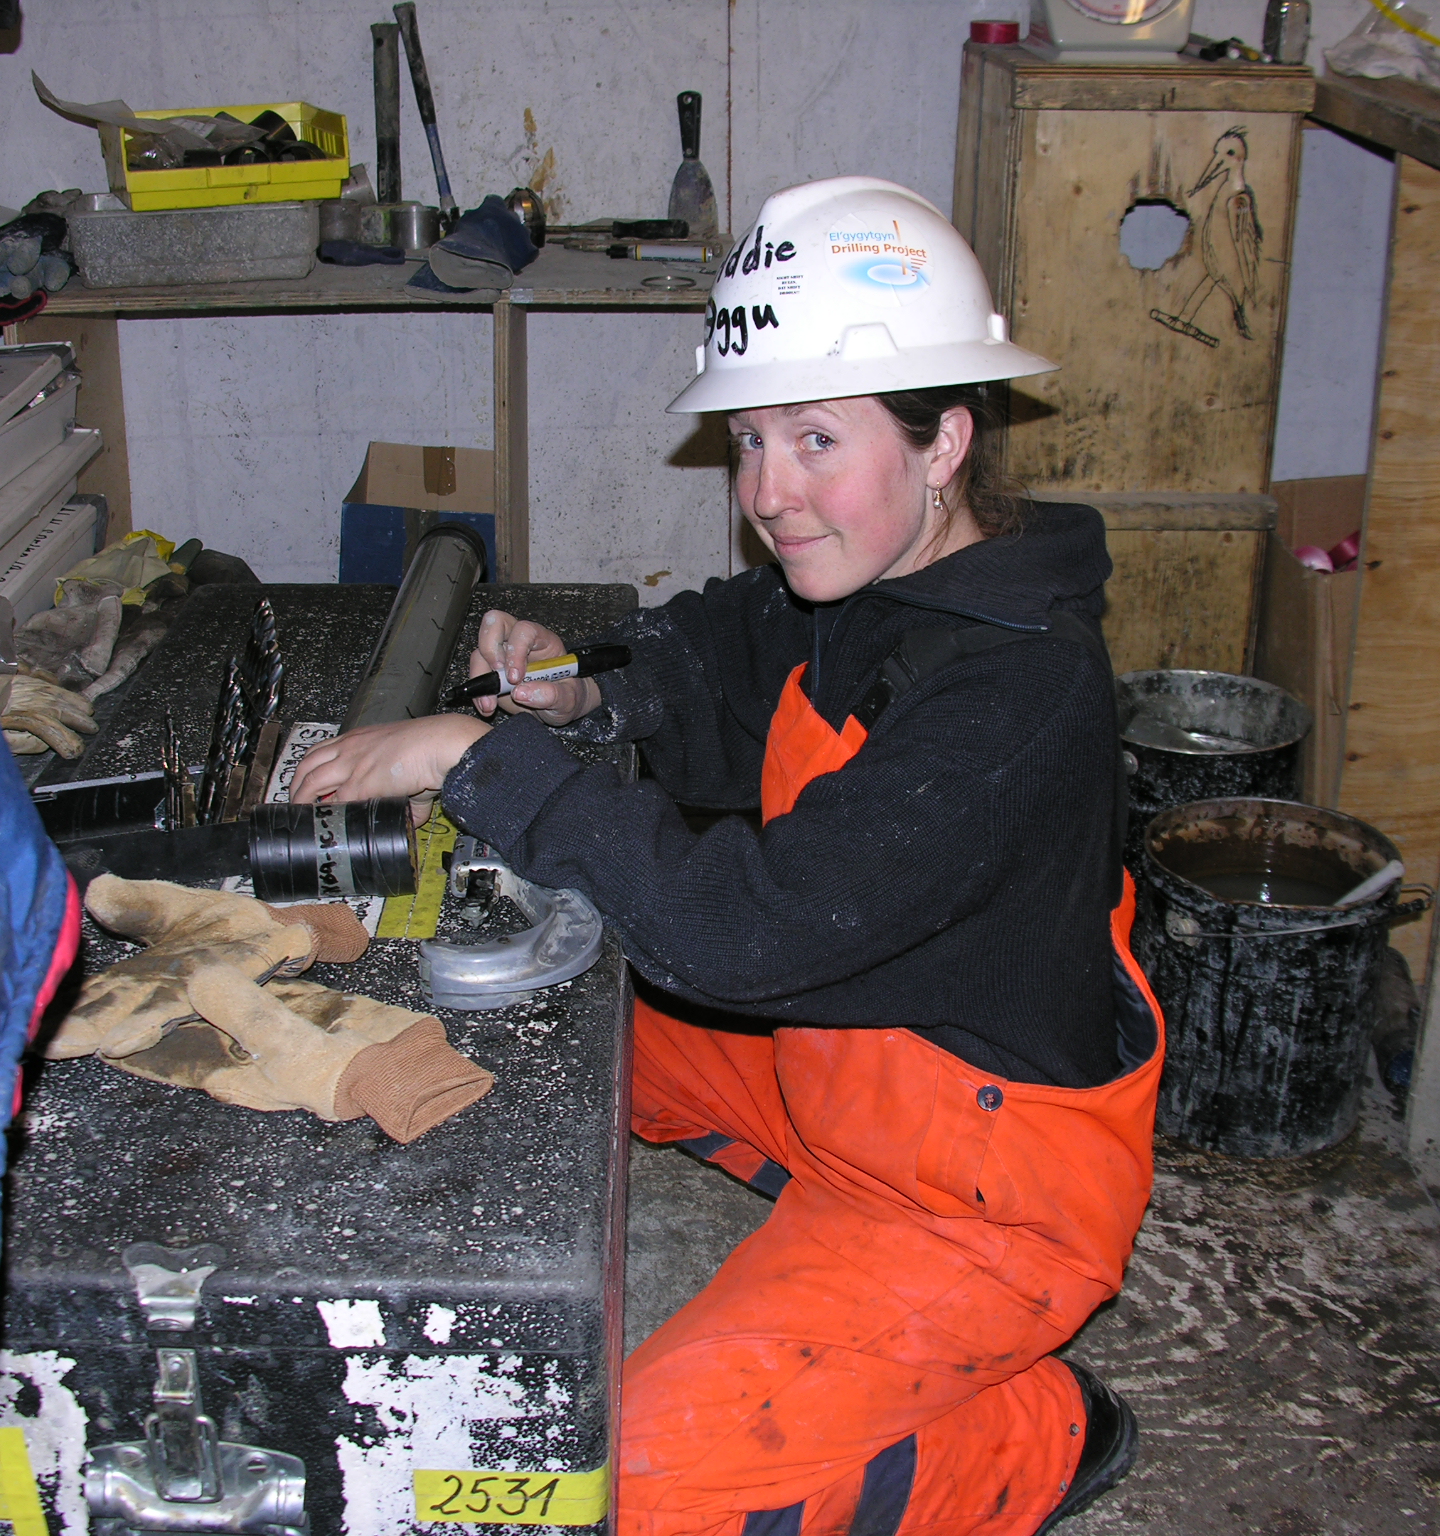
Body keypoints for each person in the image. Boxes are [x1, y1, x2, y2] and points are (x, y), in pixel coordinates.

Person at [291, 176, 1164, 1536]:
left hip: (983, 1189)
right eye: (750, 439)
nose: (769, 493)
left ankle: (1036, 1430)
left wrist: (475, 758)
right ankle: (827, 1242)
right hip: (849, 1061)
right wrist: (581, 687)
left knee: (609, 1494)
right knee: (540, 1005)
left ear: (945, 438)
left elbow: (745, 932)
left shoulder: (1014, 691)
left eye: (816, 439)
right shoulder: (878, 571)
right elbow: (721, 646)